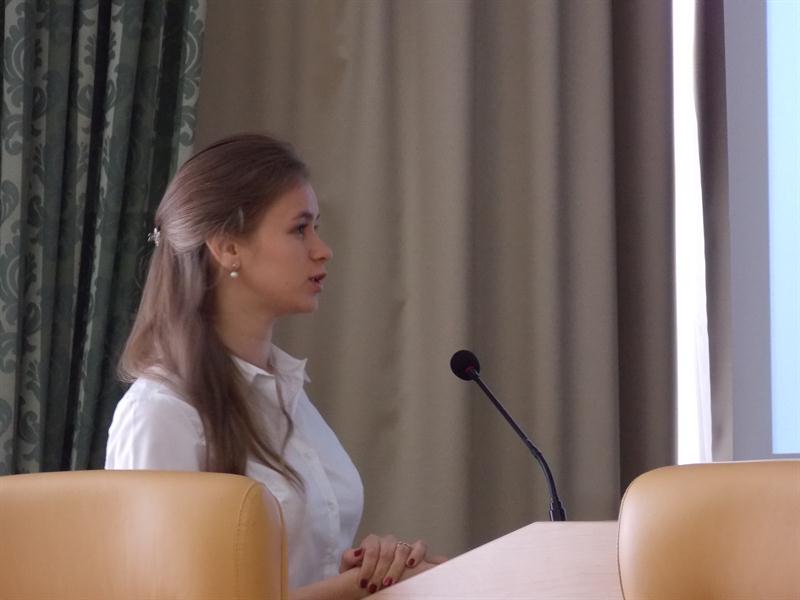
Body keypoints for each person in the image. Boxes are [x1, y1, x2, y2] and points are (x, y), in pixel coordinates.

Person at [105, 133, 443, 598]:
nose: (322, 249)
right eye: (299, 229)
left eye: (315, 227)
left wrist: (378, 565)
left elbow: (302, 574)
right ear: (228, 248)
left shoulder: (283, 393)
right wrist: (354, 586)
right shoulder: (161, 414)